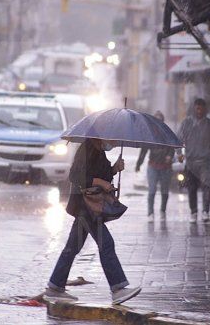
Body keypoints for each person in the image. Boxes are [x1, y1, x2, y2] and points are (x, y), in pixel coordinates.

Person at [44, 138, 141, 305]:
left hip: (87, 206)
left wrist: (114, 169)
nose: (114, 143)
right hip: (85, 205)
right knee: (106, 243)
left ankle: (55, 286)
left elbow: (100, 174)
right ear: (102, 136)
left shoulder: (100, 151)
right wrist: (100, 182)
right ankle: (118, 289)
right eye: (113, 140)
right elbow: (76, 175)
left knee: (72, 247)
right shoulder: (87, 148)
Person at [177, 98, 210, 223]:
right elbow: (179, 138)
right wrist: (179, 153)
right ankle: (194, 212)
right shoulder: (186, 123)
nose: (199, 110)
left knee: (207, 187)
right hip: (191, 162)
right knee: (192, 188)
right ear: (194, 108)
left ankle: (205, 211)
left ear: (205, 109)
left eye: (201, 108)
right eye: (197, 108)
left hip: (205, 162)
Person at [135, 111, 174, 222]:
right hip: (153, 166)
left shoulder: (167, 134)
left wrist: (169, 156)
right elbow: (143, 151)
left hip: (166, 167)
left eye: (159, 121)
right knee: (151, 190)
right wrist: (138, 164)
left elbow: (172, 148)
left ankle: (162, 211)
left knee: (164, 191)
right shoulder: (150, 135)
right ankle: (150, 213)